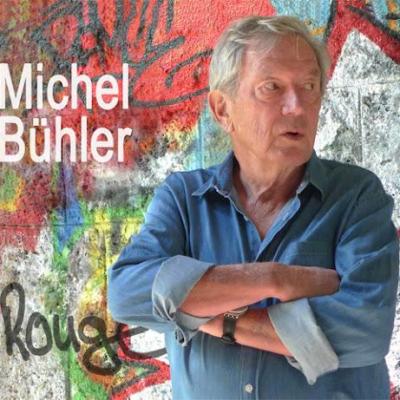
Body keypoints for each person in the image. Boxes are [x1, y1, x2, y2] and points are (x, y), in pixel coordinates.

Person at [108, 15, 399, 399]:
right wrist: (276, 279)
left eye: (309, 86)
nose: (296, 106)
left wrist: (214, 317)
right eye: (271, 87)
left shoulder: (356, 196)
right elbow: (127, 293)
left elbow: (362, 331)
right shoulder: (184, 199)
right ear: (222, 110)